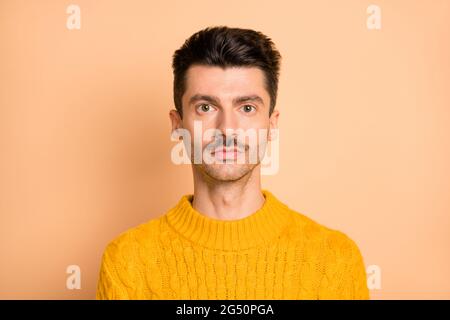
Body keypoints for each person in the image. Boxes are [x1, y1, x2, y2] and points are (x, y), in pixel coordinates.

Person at [96, 26, 369, 300]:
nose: (227, 129)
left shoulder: (335, 262)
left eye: (247, 108)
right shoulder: (126, 264)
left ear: (271, 125)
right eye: (206, 107)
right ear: (178, 125)